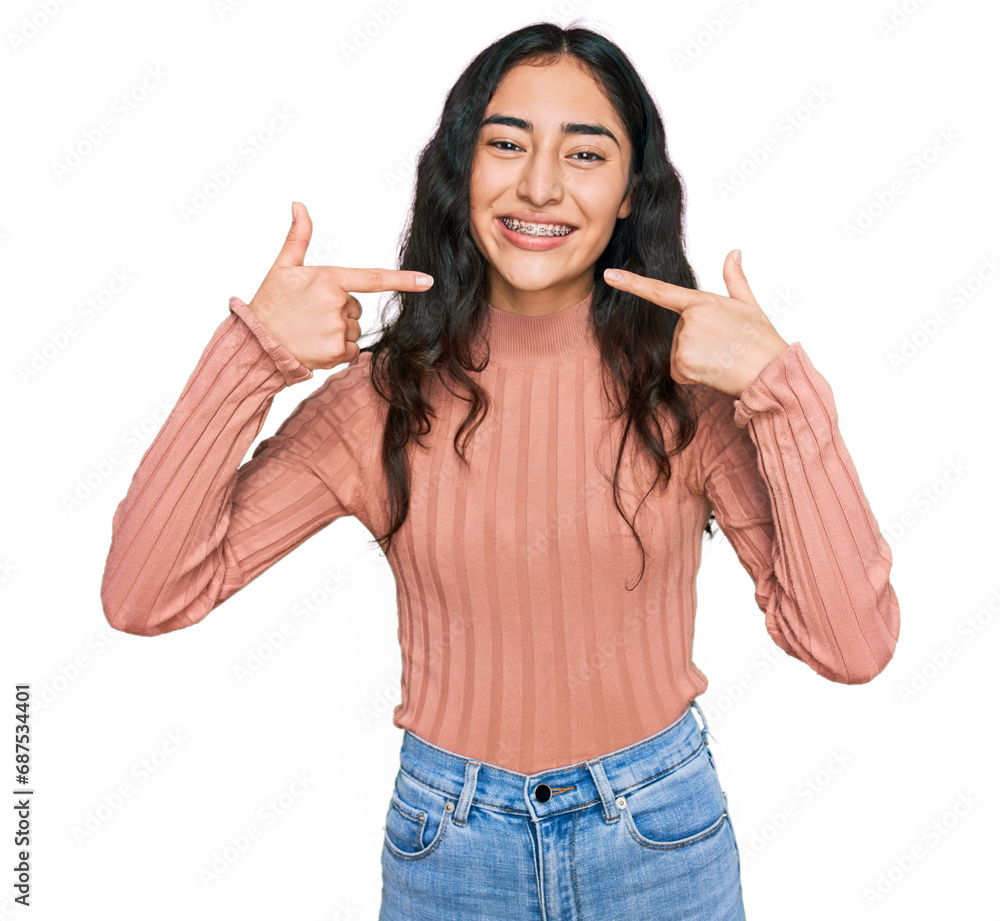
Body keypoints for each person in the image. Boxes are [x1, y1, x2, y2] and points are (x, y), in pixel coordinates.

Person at [101, 21, 900, 920]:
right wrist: (251, 359)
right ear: (461, 171)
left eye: (585, 154)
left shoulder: (690, 393)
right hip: (450, 849)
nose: (539, 186)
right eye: (507, 144)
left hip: (658, 841)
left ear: (634, 193)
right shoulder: (383, 396)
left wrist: (780, 389)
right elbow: (145, 593)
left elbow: (850, 644)